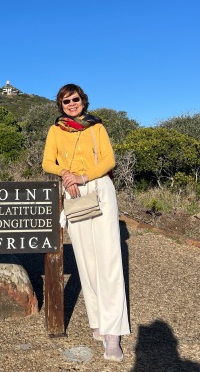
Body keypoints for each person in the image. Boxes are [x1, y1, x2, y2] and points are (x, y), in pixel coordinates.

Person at [42, 83, 129, 363]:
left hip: (99, 189)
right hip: (74, 193)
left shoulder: (96, 127)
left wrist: (83, 176)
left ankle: (113, 332)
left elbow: (109, 159)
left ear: (83, 100)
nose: (72, 104)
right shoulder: (56, 130)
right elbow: (47, 162)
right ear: (61, 104)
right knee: (86, 260)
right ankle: (97, 321)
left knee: (109, 261)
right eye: (66, 101)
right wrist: (66, 173)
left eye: (75, 99)